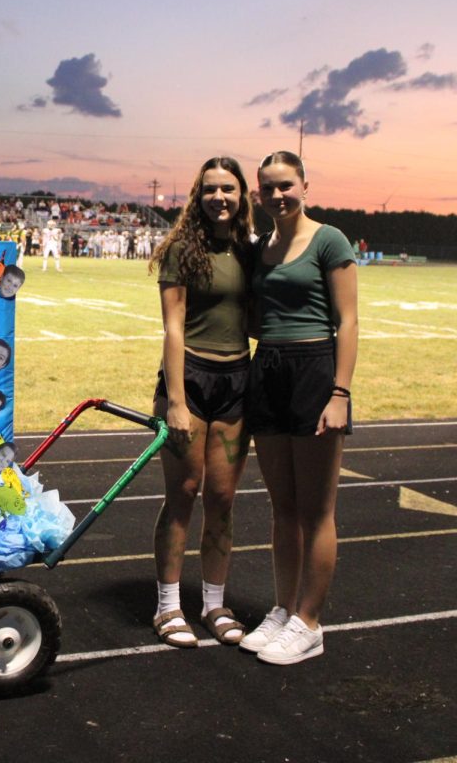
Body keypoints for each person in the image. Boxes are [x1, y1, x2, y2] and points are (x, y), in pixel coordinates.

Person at [241, 151, 358, 665]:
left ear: (305, 185)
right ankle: (284, 609)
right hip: (266, 367)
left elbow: (348, 321)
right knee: (282, 507)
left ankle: (310, 623)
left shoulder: (330, 239)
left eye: (285, 185)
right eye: (268, 188)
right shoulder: (260, 246)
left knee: (316, 510)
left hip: (314, 368)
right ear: (257, 194)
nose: (277, 196)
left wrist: (340, 393)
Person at [146, 156, 255, 649]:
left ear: (242, 195)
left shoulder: (249, 251)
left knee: (223, 499)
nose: (219, 198)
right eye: (210, 189)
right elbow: (173, 325)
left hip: (236, 380)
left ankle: (214, 604)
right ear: (198, 195)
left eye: (228, 189)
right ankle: (169, 607)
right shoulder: (182, 250)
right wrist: (175, 400)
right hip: (188, 377)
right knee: (184, 492)